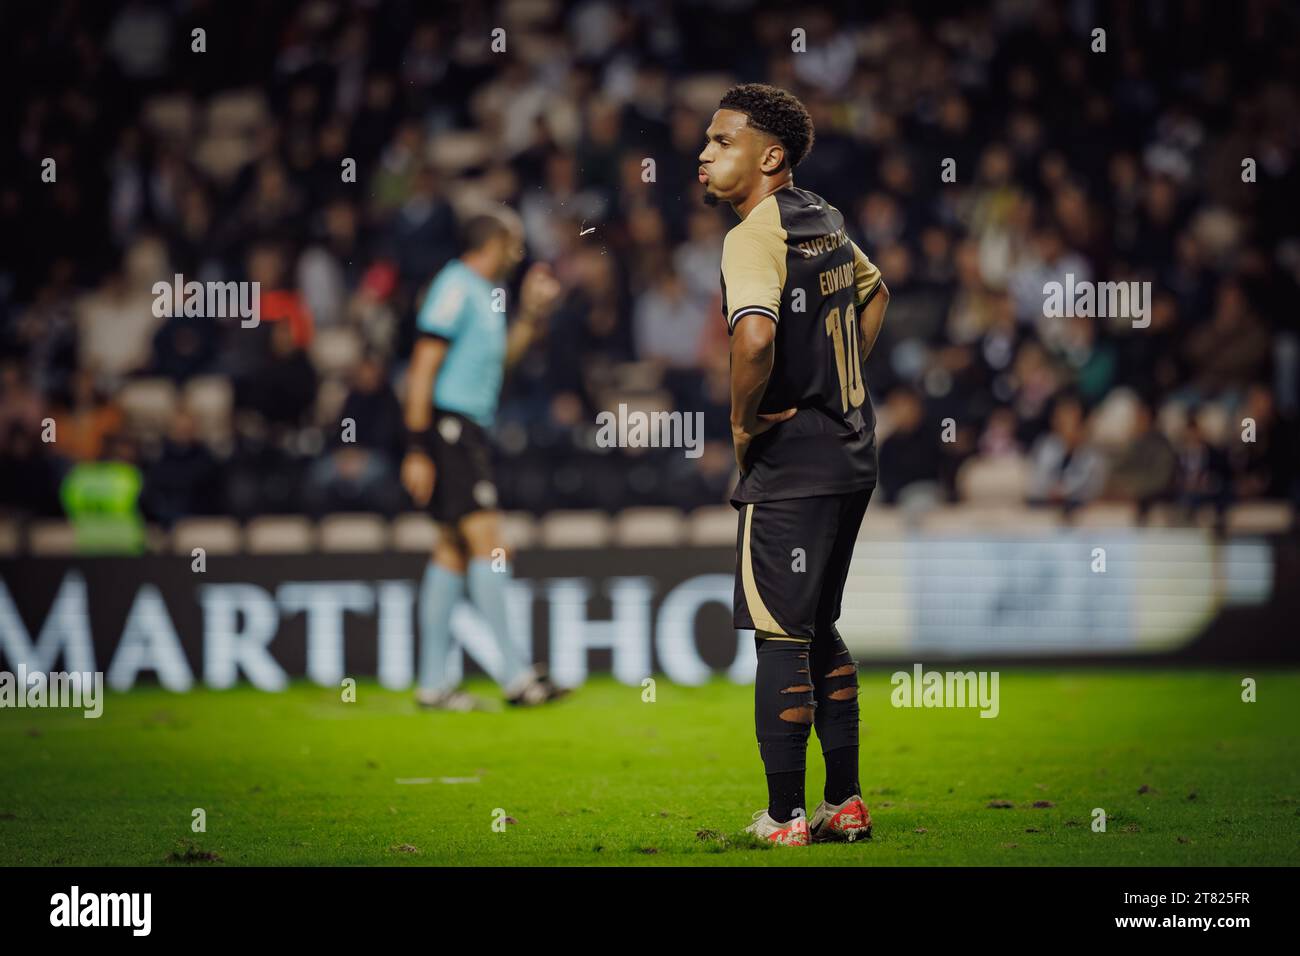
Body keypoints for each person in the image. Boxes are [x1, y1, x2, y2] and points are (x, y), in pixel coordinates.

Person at [700, 83, 891, 845]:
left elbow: (752, 339)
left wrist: (746, 423)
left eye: (722, 141)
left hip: (793, 463)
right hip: (851, 450)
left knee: (781, 635)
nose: (704, 154)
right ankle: (843, 804)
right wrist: (836, 381)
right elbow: (877, 296)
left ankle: (784, 818)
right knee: (819, 627)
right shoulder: (825, 218)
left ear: (768, 156)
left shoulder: (751, 236)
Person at [400, 208, 567, 711]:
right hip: (449, 429)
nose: (520, 253)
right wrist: (416, 447)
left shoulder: (486, 295)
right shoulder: (455, 285)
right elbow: (422, 367)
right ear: (494, 242)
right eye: (514, 242)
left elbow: (502, 361)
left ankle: (431, 685)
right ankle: (517, 677)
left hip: (467, 429)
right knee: (491, 544)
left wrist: (533, 315)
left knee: (451, 550)